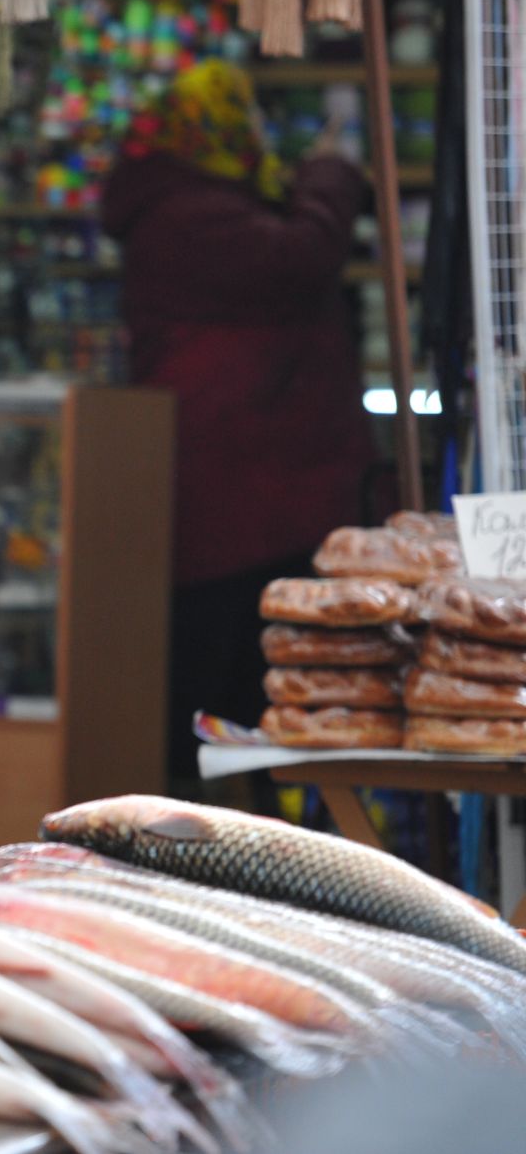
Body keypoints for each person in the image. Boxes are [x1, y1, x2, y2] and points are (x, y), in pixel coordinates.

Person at [100, 60, 373, 794]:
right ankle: (211, 842)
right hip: (236, 494)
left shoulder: (189, 205)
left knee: (242, 687)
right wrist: (332, 175)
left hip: (246, 491)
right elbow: (299, 257)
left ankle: (234, 830)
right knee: (229, 686)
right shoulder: (190, 216)